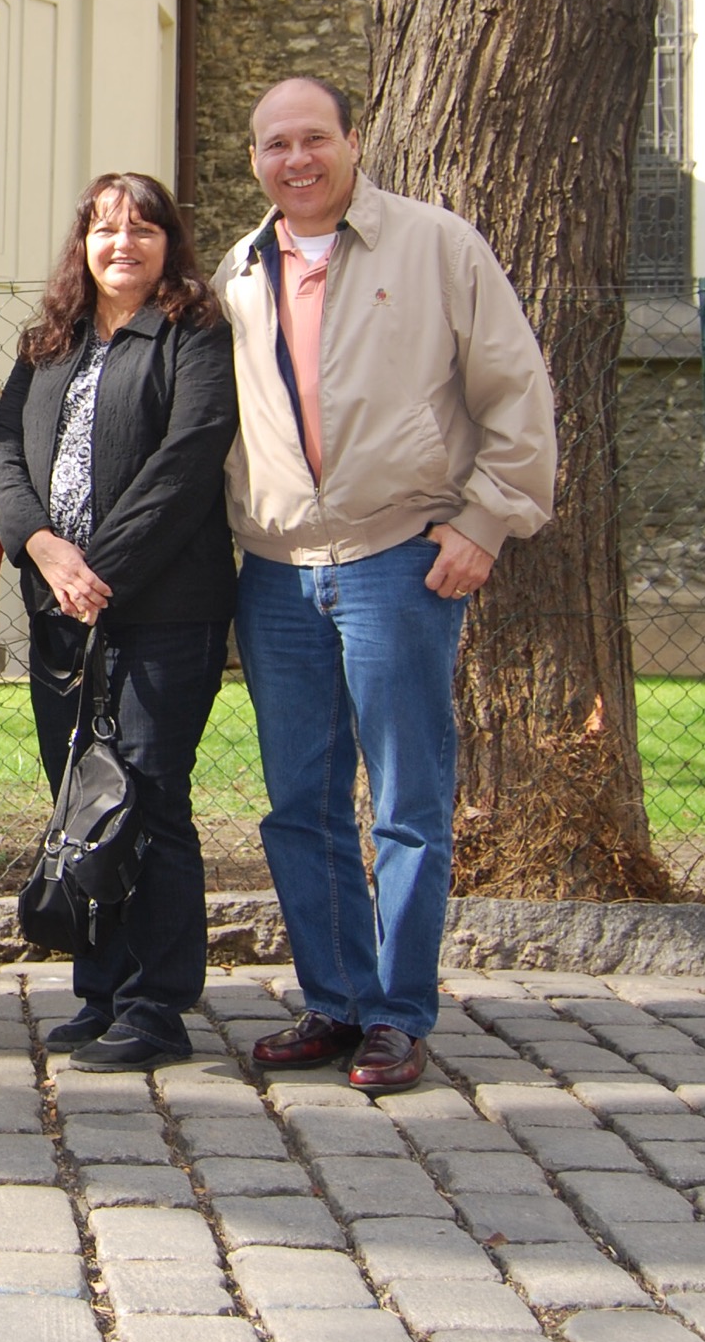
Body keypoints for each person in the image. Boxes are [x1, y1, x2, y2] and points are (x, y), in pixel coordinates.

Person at [218, 77, 556, 1093]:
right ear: (256, 161)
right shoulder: (236, 272)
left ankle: (398, 1013)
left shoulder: (437, 246)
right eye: (275, 143)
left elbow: (515, 386)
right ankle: (333, 999)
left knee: (409, 799)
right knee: (300, 804)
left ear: (353, 142)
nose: (297, 159)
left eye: (314, 137)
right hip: (278, 575)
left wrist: (487, 519)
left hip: (399, 560)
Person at [0, 172, 239, 1071]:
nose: (121, 244)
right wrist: (45, 551)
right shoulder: (47, 341)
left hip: (163, 612)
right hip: (59, 611)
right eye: (104, 228)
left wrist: (101, 572)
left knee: (149, 796)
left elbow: (190, 458)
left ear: (170, 242)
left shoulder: (194, 332)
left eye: (142, 229)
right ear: (82, 243)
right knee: (83, 799)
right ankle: (102, 988)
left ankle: (158, 1005)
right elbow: (5, 450)